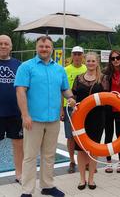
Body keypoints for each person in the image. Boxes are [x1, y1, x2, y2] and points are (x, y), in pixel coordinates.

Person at [15, 36, 76, 197]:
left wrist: (71, 98)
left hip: (53, 120)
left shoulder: (59, 69)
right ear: (36, 47)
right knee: (29, 156)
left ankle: (47, 185)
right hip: (33, 120)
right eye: (41, 46)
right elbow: (20, 91)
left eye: (47, 46)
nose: (44, 49)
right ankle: (27, 190)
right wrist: (25, 115)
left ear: (52, 49)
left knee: (49, 155)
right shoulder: (26, 67)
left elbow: (65, 89)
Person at [72, 52, 109, 190]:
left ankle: (91, 179)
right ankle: (82, 179)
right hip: (81, 119)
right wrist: (71, 103)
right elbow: (73, 96)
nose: (91, 63)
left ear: (97, 62)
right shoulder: (78, 78)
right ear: (84, 62)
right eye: (88, 61)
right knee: (80, 149)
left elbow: (107, 98)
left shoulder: (103, 79)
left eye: (93, 61)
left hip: (97, 117)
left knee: (94, 148)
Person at [0, 35, 23, 183]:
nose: (3, 46)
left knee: (18, 144)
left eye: (6, 44)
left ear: (11, 47)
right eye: (0, 43)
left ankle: (19, 174)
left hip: (15, 112)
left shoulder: (19, 65)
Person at [62, 46, 86, 174]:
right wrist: (61, 109)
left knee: (85, 135)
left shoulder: (87, 69)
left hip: (84, 107)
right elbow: (61, 90)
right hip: (69, 108)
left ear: (83, 55)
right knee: (70, 137)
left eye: (79, 54)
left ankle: (86, 161)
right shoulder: (65, 70)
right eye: (75, 54)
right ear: (71, 55)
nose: (77, 56)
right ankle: (72, 161)